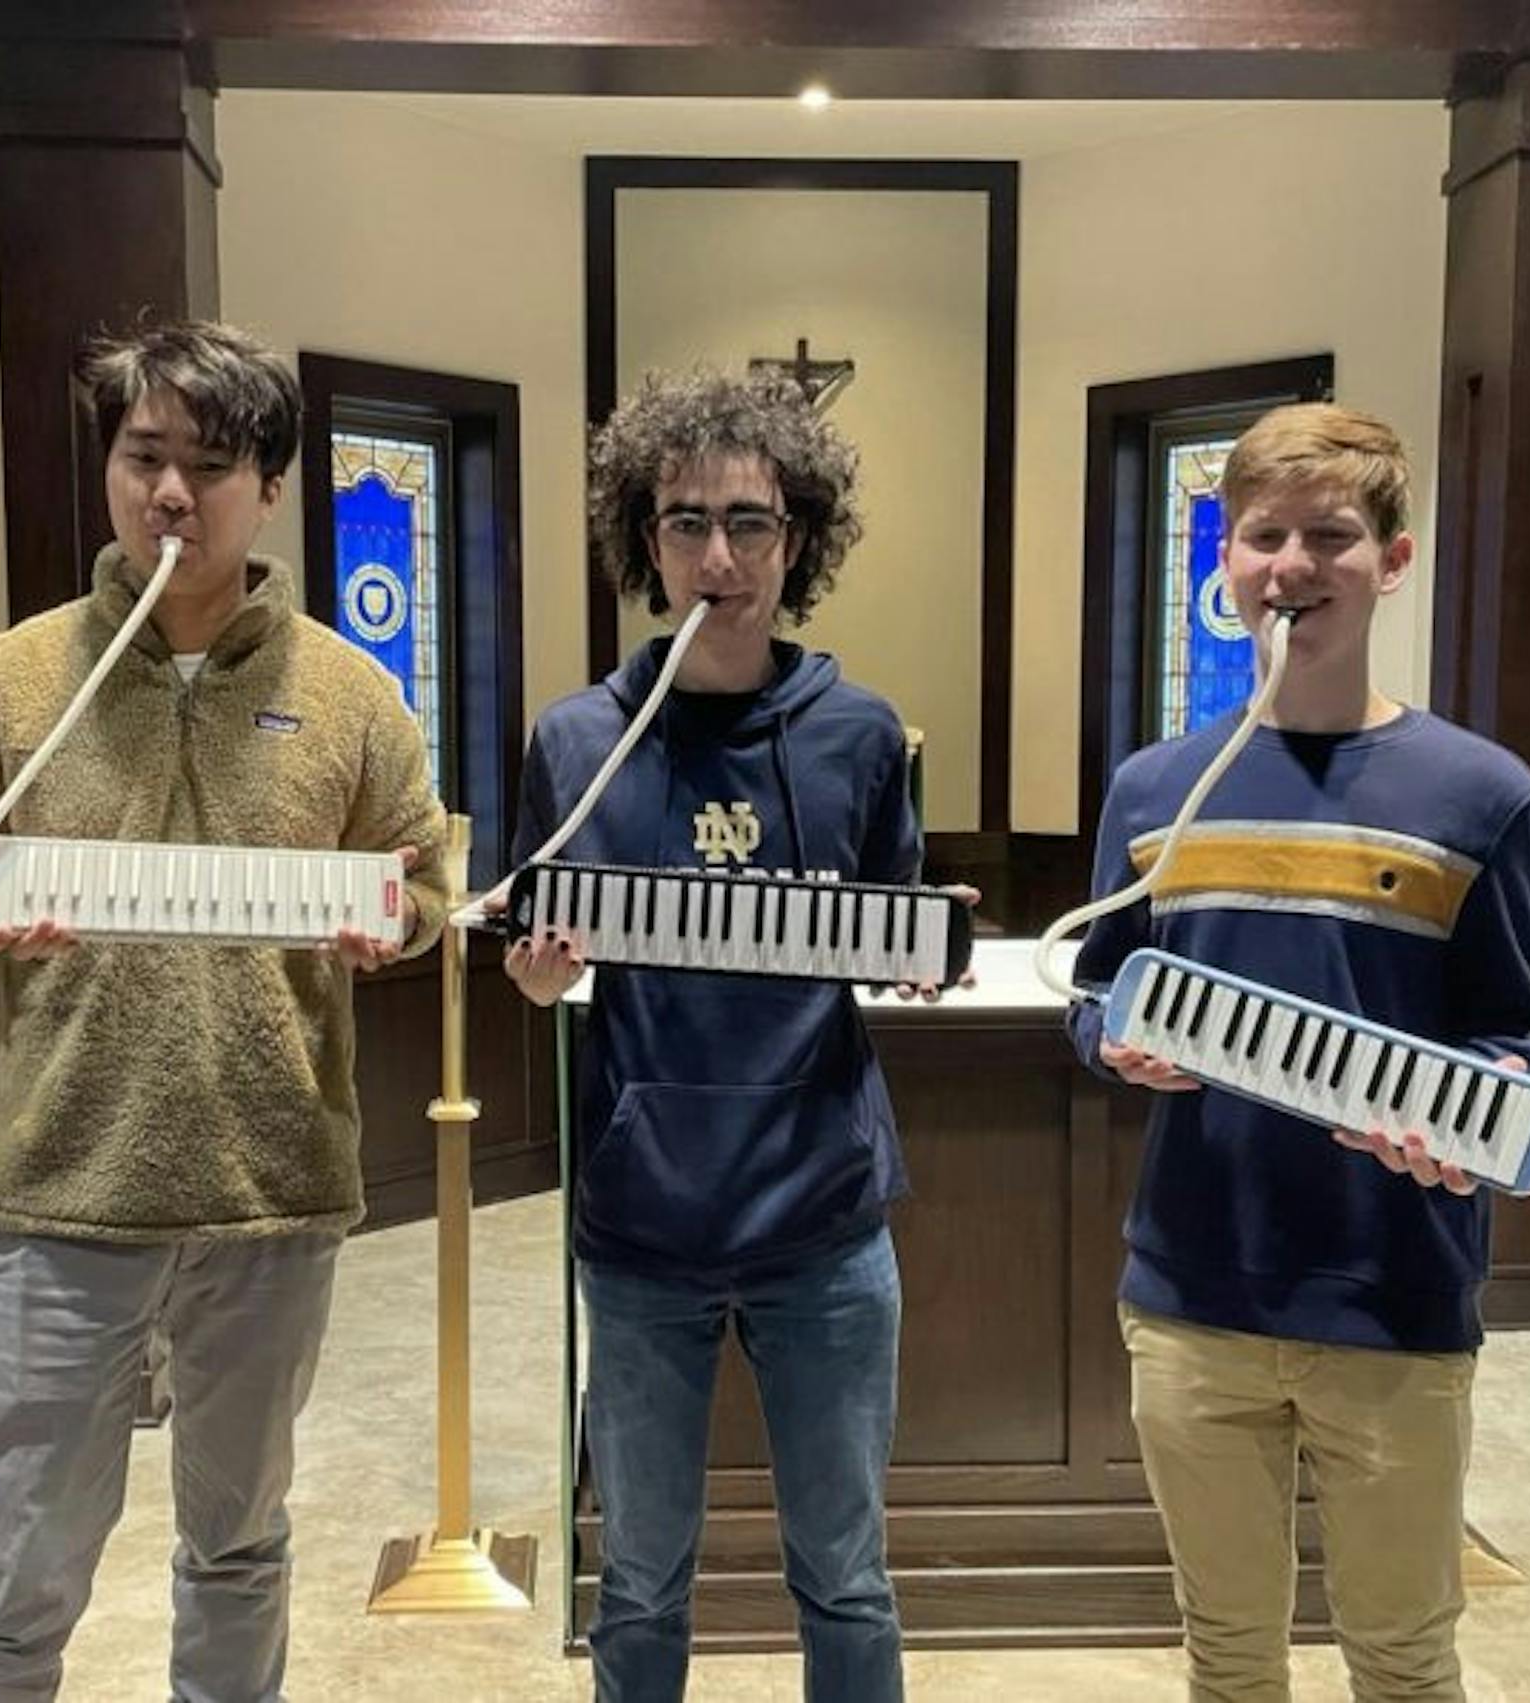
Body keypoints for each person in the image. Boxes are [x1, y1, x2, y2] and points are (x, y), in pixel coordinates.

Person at [0, 319, 451, 1703]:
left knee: (240, 1545)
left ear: (268, 486)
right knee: (21, 1562)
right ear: (112, 471)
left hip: (271, 1193)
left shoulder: (348, 691)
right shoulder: (9, 680)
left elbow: (426, 878)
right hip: (61, 1189)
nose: (170, 495)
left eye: (208, 463)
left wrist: (398, 921)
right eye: (144, 458)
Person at [1067, 403, 1530, 1702]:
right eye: (1265, 536)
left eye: (1332, 537)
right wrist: (1109, 1047)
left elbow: (1517, 1032)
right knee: (1228, 1653)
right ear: (1226, 563)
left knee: (1402, 1657)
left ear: (1393, 561)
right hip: (1192, 1293)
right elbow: (1097, 991)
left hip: (1393, 1291)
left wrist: (1485, 1108)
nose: (1294, 565)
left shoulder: (1482, 792)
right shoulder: (1150, 789)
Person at [506, 369, 948, 1702]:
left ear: (794, 540)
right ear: (645, 542)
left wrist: (918, 954)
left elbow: (888, 941)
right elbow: (541, 969)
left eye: (749, 524)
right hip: (645, 1228)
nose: (718, 555)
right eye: (686, 521)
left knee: (849, 1575)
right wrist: (538, 979)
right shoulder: (578, 738)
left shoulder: (862, 734)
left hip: (825, 1222)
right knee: (637, 1582)